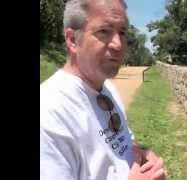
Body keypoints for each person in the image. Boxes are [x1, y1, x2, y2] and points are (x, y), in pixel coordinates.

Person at [40, 0, 166, 179]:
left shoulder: (107, 88)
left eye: (122, 32)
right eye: (104, 32)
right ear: (73, 39)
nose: (118, 44)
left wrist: (144, 157)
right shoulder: (48, 113)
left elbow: (122, 142)